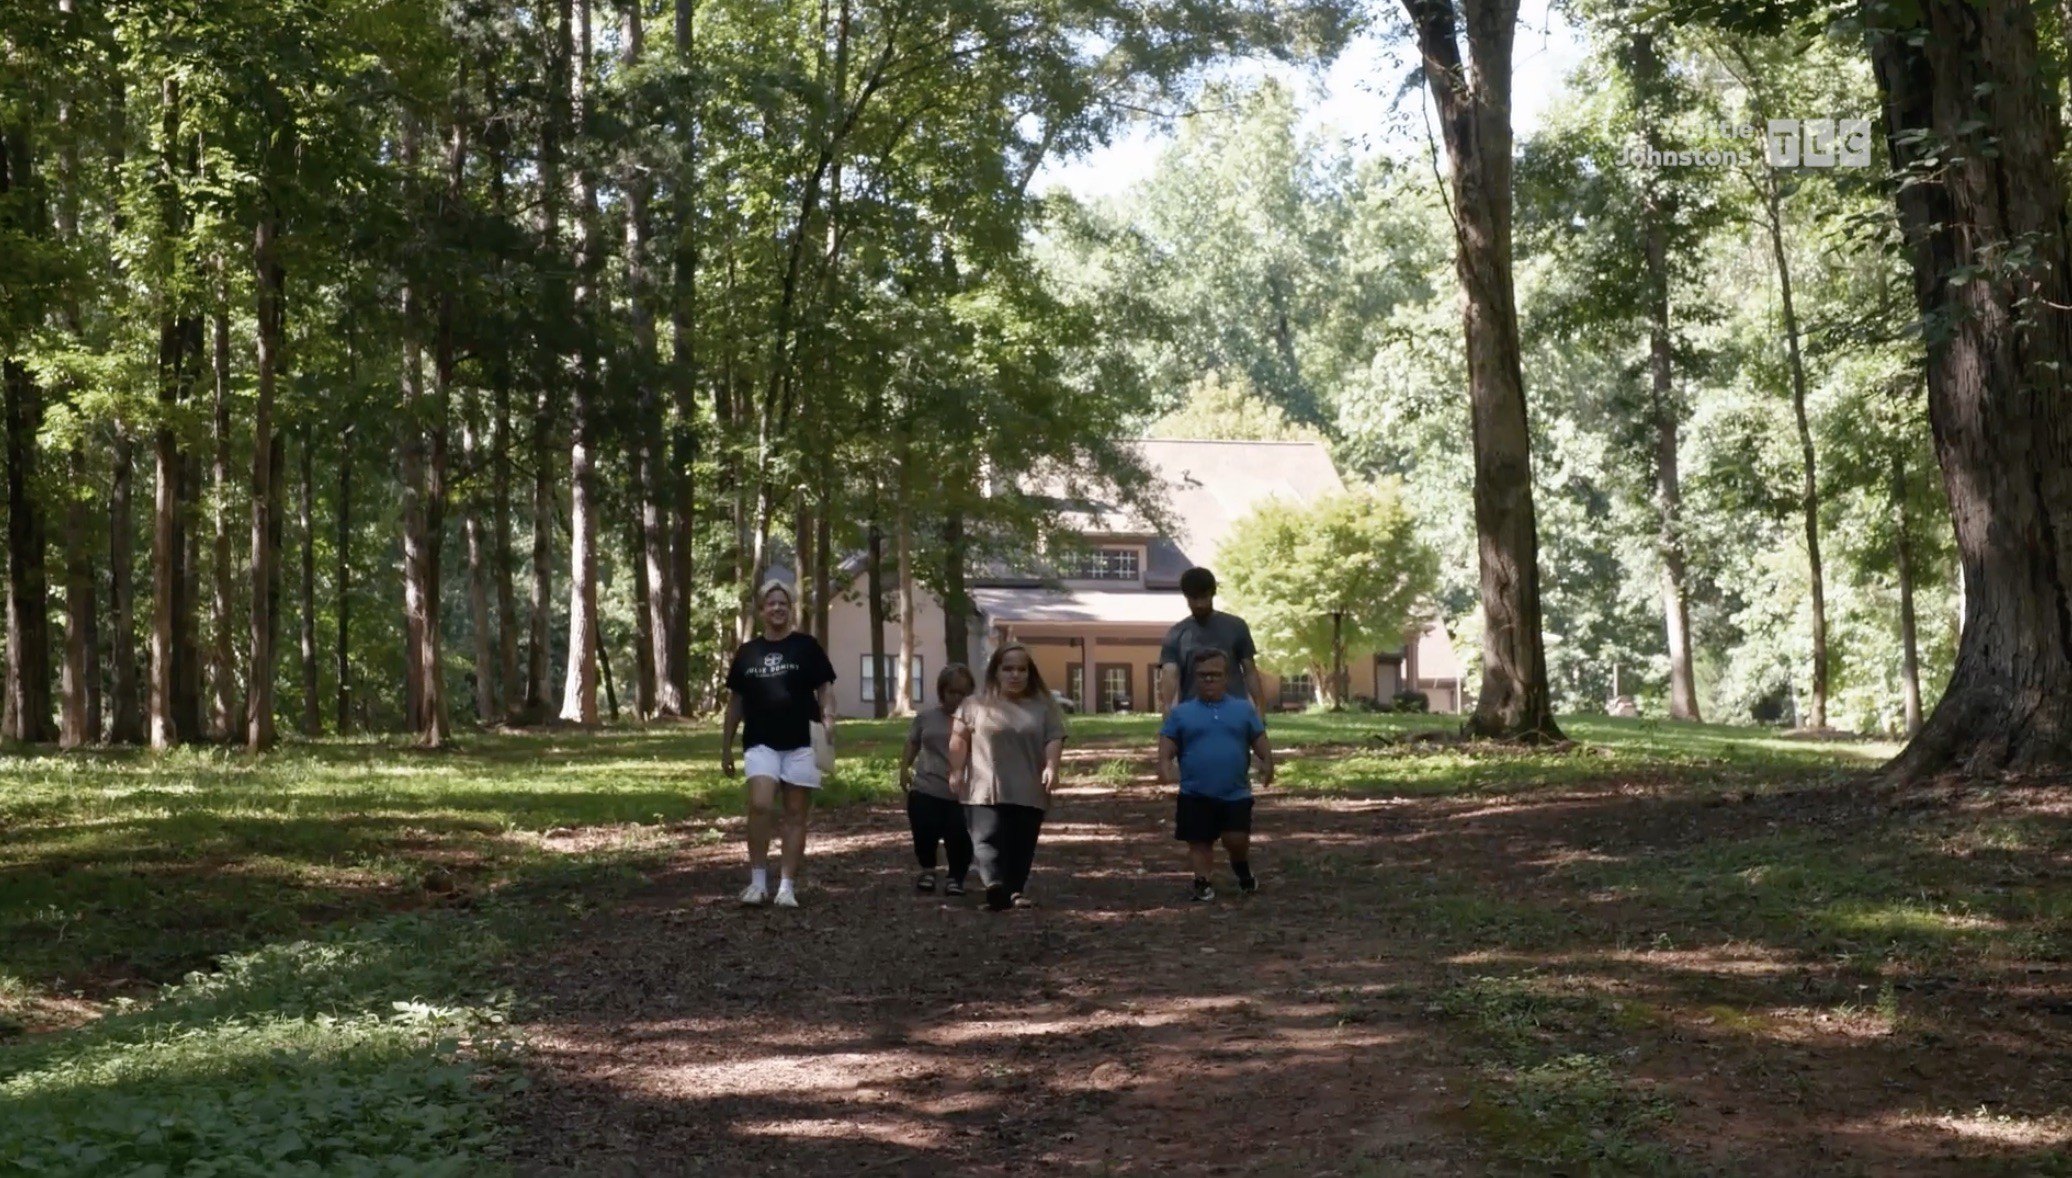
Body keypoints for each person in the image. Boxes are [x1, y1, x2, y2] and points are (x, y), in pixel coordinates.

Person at [721, 580, 837, 909]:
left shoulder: (807, 647)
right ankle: (758, 883)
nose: (777, 608)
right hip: (760, 741)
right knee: (759, 804)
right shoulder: (747, 653)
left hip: (803, 741)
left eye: (783, 603)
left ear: (790, 609)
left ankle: (787, 887)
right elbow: (735, 703)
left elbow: (825, 689)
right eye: (771, 603)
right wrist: (725, 746)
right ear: (761, 611)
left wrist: (829, 719)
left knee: (796, 813)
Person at [948, 643, 1065, 912]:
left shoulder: (1042, 707)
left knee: (1021, 843)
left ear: (1030, 673)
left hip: (1028, 787)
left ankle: (1015, 891)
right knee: (985, 839)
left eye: (1021, 669)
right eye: (1008, 668)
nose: (1015, 675)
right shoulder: (974, 704)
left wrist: (1052, 767)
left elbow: (1053, 738)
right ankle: (994, 886)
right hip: (983, 785)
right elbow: (958, 738)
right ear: (996, 672)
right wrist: (955, 770)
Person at [1158, 647, 1274, 902]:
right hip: (1195, 792)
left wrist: (1268, 762)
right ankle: (1202, 881)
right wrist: (1164, 764)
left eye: (1214, 674)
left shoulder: (1242, 710)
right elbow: (1168, 742)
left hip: (1235, 792)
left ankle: (1241, 868)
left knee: (1236, 839)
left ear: (1226, 677)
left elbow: (1258, 739)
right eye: (1202, 675)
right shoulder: (1182, 713)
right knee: (1199, 841)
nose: (1208, 680)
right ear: (1195, 678)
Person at [901, 663, 977, 897]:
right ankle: (928, 869)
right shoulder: (926, 717)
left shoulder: (976, 721)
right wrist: (904, 768)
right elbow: (913, 742)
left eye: (963, 693)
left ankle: (956, 876)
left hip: (961, 791)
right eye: (952, 691)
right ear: (942, 691)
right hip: (926, 785)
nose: (957, 698)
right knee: (924, 830)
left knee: (959, 836)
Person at [1158, 566, 1266, 712]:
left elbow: (1249, 670)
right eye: (1194, 598)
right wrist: (1167, 709)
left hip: (1233, 711)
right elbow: (1169, 673)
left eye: (1204, 597)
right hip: (1194, 712)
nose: (1199, 604)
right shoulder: (1176, 634)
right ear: (1186, 597)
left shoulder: (1236, 626)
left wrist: (1260, 708)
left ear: (1213, 594)